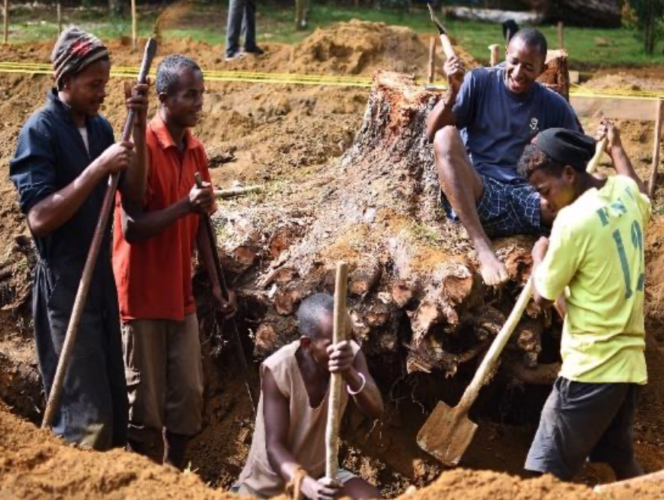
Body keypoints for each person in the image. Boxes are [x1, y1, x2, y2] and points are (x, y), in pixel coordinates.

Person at [9, 27, 148, 450]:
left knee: (113, 410)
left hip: (100, 281)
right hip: (65, 287)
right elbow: (38, 218)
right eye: (93, 85)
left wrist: (138, 124)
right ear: (64, 81)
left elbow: (136, 194)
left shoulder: (103, 129)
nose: (102, 93)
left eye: (105, 84)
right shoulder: (41, 131)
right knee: (87, 418)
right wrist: (95, 170)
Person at [113, 54, 236, 468]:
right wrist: (185, 206)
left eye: (201, 94)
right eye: (190, 95)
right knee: (143, 409)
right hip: (142, 295)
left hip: (179, 294)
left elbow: (202, 218)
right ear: (163, 98)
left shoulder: (196, 150)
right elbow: (133, 227)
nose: (199, 103)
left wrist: (218, 285)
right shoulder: (141, 146)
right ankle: (143, 483)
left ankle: (174, 480)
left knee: (187, 399)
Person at [519, 123, 649, 481]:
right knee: (620, 462)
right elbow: (641, 195)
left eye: (545, 190)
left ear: (569, 173)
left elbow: (543, 296)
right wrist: (618, 150)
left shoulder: (572, 222)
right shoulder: (624, 193)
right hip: (627, 368)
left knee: (541, 477)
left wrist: (539, 255)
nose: (544, 202)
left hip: (591, 369)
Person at [426, 28, 580, 286]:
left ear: (542, 69)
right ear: (505, 55)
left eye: (529, 67)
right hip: (483, 193)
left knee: (573, 202)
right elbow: (432, 133)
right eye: (514, 62)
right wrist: (452, 93)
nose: (518, 72)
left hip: (528, 198)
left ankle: (551, 253)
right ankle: (482, 245)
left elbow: (579, 160)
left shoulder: (554, 106)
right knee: (445, 136)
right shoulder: (479, 82)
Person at [234, 293, 384, 499]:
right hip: (274, 482)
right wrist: (306, 485)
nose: (342, 348)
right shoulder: (278, 369)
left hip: (322, 473)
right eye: (332, 343)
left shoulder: (350, 354)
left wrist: (349, 372)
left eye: (347, 338)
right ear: (307, 344)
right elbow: (274, 446)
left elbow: (375, 409)